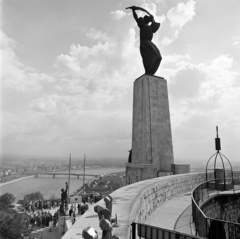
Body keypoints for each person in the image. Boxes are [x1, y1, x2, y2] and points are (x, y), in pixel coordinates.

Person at [126, 6, 162, 75]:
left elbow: (154, 24)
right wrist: (133, 11)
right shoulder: (142, 25)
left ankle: (150, 71)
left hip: (149, 42)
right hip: (144, 42)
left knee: (158, 57)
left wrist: (152, 19)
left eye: (149, 19)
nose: (148, 20)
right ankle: (148, 71)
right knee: (146, 58)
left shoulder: (151, 27)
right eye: (147, 19)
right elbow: (136, 18)